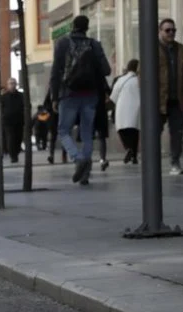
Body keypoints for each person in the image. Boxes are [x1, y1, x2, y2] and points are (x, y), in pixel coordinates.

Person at [49, 14, 111, 185]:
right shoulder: (94, 44)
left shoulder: (62, 43)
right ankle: (85, 171)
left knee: (63, 130)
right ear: (87, 27)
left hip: (68, 94)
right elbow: (106, 70)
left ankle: (78, 159)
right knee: (87, 132)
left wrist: (54, 96)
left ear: (72, 27)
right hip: (90, 94)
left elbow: (55, 72)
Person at [158, 18, 183, 175]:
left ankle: (175, 162)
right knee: (154, 131)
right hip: (158, 99)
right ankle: (152, 162)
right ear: (160, 31)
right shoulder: (152, 50)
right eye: (167, 30)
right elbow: (142, 76)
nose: (171, 33)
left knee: (177, 132)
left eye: (173, 30)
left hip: (178, 99)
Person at [112, 59, 141, 164]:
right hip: (136, 108)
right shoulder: (139, 80)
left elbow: (114, 95)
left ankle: (128, 148)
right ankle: (134, 156)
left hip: (122, 108)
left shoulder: (121, 79)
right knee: (134, 132)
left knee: (122, 130)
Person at [1, 78, 25, 163]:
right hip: (8, 121)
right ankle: (13, 156)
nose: (12, 85)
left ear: (16, 85)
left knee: (18, 138)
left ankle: (16, 152)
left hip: (19, 121)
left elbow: (26, 106)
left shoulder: (22, 96)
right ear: (7, 85)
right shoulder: (3, 97)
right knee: (10, 138)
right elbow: (1, 108)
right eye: (10, 83)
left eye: (13, 83)